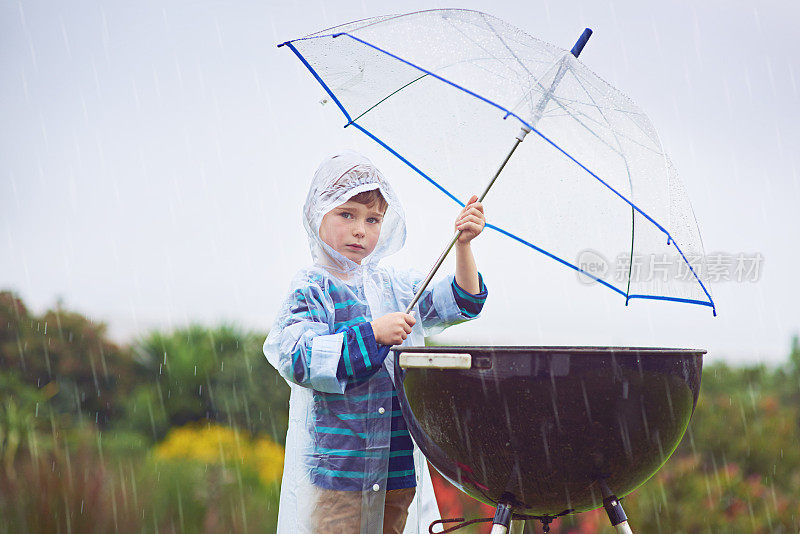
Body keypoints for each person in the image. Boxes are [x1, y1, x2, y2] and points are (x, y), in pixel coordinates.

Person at [263, 150, 488, 533]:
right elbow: (298, 358)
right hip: (340, 473)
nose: (360, 230)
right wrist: (373, 335)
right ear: (317, 215)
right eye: (346, 214)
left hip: (396, 471)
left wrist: (464, 245)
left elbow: (460, 302)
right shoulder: (313, 288)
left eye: (373, 219)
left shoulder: (395, 286)